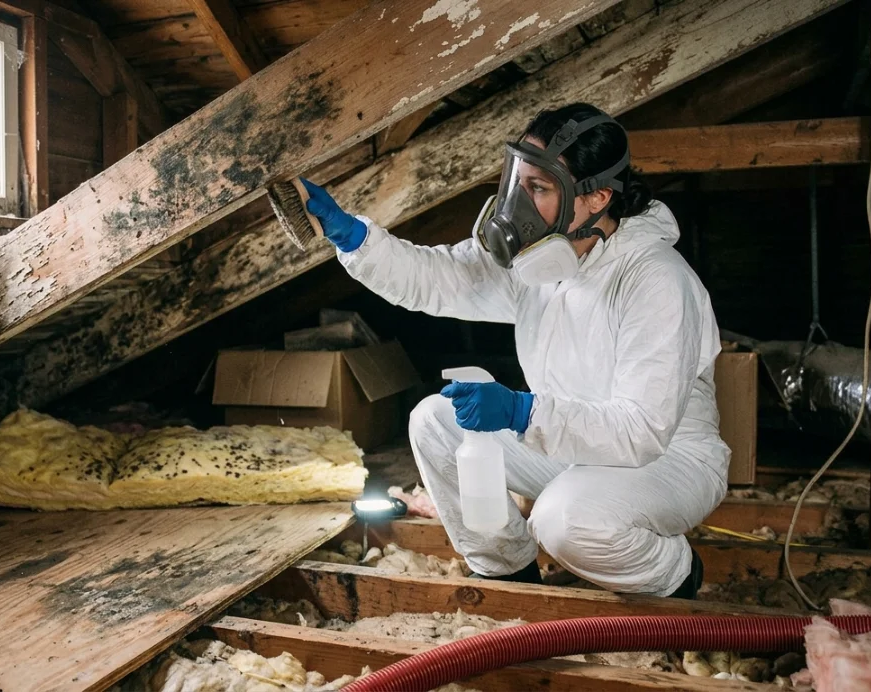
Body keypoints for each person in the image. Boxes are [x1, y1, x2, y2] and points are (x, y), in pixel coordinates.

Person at [300, 102, 729, 599]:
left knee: (563, 521)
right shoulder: (541, 262)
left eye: (539, 188)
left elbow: (641, 431)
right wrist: (352, 236)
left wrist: (522, 411)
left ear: (597, 197)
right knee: (436, 421)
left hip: (665, 461)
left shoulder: (655, 280)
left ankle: (676, 574)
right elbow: (440, 279)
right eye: (517, 182)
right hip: (570, 447)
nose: (517, 204)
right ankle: (508, 573)